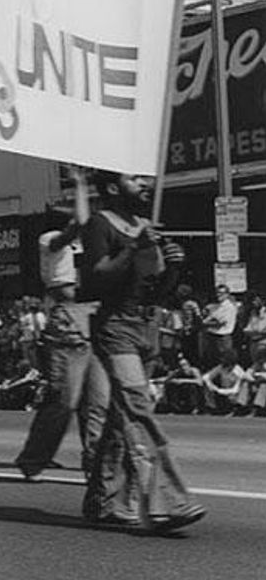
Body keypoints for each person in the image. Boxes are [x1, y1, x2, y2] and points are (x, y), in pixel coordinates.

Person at [81, 171, 205, 533]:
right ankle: (170, 501)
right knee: (138, 408)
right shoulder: (100, 224)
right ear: (112, 187)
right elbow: (96, 279)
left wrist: (174, 265)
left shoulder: (146, 225)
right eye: (134, 179)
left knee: (122, 417)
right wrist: (134, 246)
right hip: (115, 327)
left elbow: (155, 290)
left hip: (146, 326)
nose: (144, 184)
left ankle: (104, 502)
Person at [16, 166, 110, 481]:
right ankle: (33, 459)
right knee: (63, 402)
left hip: (94, 317)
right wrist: (81, 185)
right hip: (67, 320)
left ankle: (95, 463)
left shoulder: (87, 243)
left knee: (97, 402)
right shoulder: (49, 240)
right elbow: (79, 223)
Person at [202, 284, 238, 368]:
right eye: (217, 292)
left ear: (227, 294)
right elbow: (208, 317)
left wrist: (204, 323)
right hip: (212, 337)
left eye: (221, 293)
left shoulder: (229, 307)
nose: (218, 295)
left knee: (224, 361)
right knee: (212, 361)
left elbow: (220, 323)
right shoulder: (216, 306)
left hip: (222, 338)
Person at [201, 348, 245, 415]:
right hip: (221, 391)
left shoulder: (238, 371)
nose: (221, 360)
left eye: (223, 358)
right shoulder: (221, 367)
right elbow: (205, 377)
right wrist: (212, 386)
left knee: (233, 397)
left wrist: (221, 391)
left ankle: (234, 410)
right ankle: (211, 408)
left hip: (233, 393)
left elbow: (236, 389)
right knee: (206, 387)